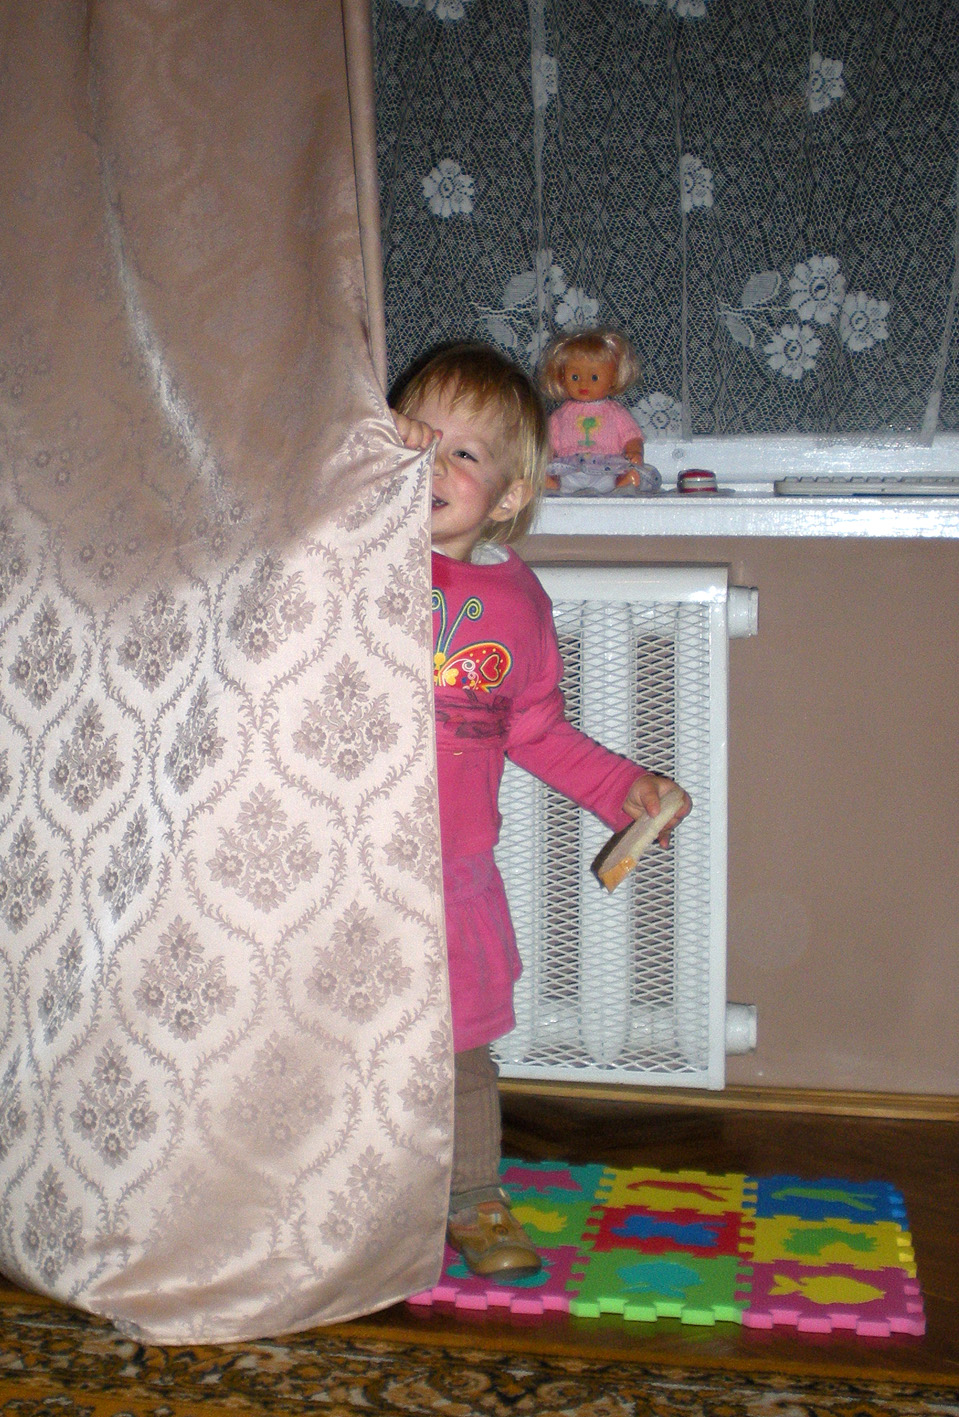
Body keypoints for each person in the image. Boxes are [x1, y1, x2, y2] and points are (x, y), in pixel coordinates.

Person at [391, 343, 690, 1279]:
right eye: (416, 442)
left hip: (450, 876)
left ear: (510, 494)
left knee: (461, 1050)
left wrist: (623, 787)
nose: (432, 466)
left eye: (462, 454)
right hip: (345, 869)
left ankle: (473, 1194)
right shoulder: (353, 559)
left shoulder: (517, 600)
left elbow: (539, 732)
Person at [538, 327, 660, 495]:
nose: (584, 384)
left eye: (594, 377)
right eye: (575, 377)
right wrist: (545, 457)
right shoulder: (560, 415)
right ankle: (551, 482)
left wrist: (634, 452)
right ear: (561, 377)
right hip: (570, 471)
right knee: (550, 474)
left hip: (607, 470)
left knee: (623, 474)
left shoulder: (615, 412)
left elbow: (632, 437)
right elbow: (548, 443)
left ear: (613, 378)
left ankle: (623, 481)